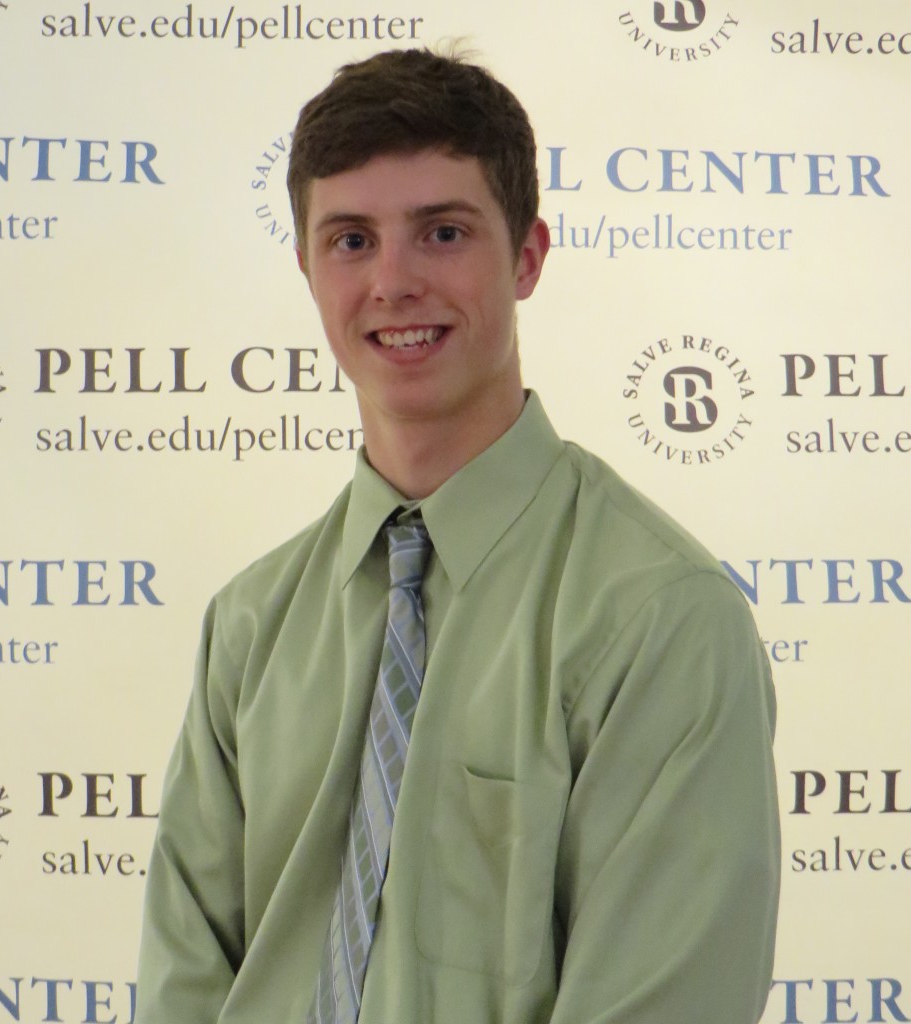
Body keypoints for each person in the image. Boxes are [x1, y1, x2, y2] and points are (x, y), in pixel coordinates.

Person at [135, 47, 780, 1024]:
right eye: (350, 239)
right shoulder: (250, 623)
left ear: (525, 257)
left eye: (440, 232)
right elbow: (183, 984)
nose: (392, 281)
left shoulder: (659, 616)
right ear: (307, 267)